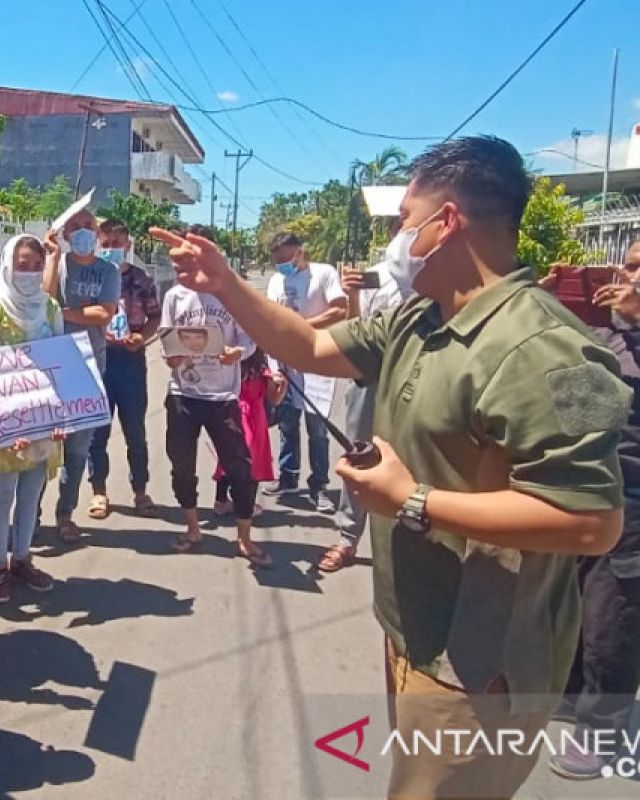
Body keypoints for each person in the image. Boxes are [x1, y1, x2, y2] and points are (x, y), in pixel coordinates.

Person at [151, 135, 630, 798]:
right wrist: (225, 284)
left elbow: (591, 523)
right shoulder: (421, 319)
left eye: (406, 220)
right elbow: (314, 343)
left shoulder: (549, 349)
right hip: (415, 630)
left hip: (482, 661)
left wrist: (412, 499)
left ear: (448, 222)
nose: (397, 238)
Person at [538, 243, 640, 780]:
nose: (627, 275)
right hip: (589, 490)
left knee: (614, 616)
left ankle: (603, 731)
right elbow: (576, 412)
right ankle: (572, 695)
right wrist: (556, 307)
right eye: (627, 263)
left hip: (634, 502)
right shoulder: (605, 335)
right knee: (574, 601)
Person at [0, 234, 64, 603]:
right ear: (7, 265)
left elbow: (59, 362)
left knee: (31, 494)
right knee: (2, 495)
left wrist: (58, 416)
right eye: (22, 265)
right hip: (7, 415)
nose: (29, 272)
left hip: (44, 417)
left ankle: (22, 558)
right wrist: (17, 422)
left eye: (36, 266)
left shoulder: (52, 308)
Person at [160, 270, 267, 564]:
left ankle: (244, 538)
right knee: (181, 463)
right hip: (183, 392)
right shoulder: (174, 295)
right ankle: (193, 529)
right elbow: (167, 338)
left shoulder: (230, 295)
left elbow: (250, 339)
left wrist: (238, 353)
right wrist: (171, 357)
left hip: (222, 396)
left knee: (241, 467)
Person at [319, 248, 404, 572]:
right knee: (359, 456)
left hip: (419, 378)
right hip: (370, 379)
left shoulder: (440, 279)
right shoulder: (377, 276)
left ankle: (406, 544)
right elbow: (355, 329)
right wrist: (353, 294)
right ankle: (347, 538)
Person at [42, 209, 120, 542]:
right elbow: (45, 302)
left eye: (89, 226)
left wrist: (65, 313)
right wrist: (52, 258)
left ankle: (65, 514)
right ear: (64, 233)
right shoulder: (56, 265)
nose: (84, 231)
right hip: (53, 366)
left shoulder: (109, 270)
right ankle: (30, 516)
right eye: (76, 227)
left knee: (77, 448)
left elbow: (104, 313)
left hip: (90, 368)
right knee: (41, 446)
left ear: (98, 233)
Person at [262, 232, 346, 512]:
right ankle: (288, 477)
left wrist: (304, 326)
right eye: (277, 260)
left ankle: (319, 485)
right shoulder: (276, 281)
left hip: (318, 361)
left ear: (299, 252)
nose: (282, 264)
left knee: (317, 428)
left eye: (285, 258)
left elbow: (339, 310)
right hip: (286, 361)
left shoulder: (324, 273)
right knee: (287, 423)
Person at [87, 218, 159, 519]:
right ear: (98, 245)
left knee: (134, 430)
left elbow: (155, 316)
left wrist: (141, 337)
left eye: (117, 244)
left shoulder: (142, 280)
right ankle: (99, 492)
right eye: (106, 244)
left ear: (128, 245)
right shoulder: (91, 278)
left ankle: (140, 491)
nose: (112, 249)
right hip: (99, 360)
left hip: (130, 360)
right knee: (97, 433)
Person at [213, 349, 284, 517]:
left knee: (232, 457)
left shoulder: (254, 366)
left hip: (244, 413)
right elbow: (274, 399)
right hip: (246, 414)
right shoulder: (255, 367)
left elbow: (273, 399)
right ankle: (245, 504)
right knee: (250, 459)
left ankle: (223, 501)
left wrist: (281, 385)